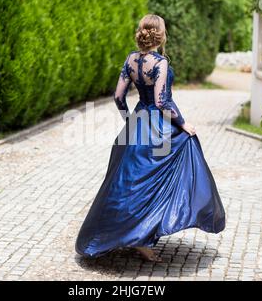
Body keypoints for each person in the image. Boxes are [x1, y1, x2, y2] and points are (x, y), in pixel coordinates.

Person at [75, 14, 225, 262]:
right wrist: (183, 123)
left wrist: (130, 122)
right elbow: (161, 101)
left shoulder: (131, 60)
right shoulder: (160, 63)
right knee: (173, 164)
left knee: (130, 181)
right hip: (158, 127)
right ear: (161, 35)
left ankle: (130, 233)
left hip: (138, 123)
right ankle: (143, 237)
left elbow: (118, 97)